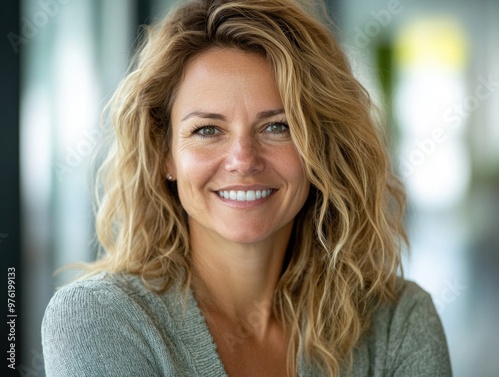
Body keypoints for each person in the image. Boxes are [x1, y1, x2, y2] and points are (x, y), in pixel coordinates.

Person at [41, 0, 453, 376]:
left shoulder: (398, 321)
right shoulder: (100, 319)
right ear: (164, 154)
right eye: (207, 130)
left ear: (321, 148)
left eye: (278, 127)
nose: (242, 159)